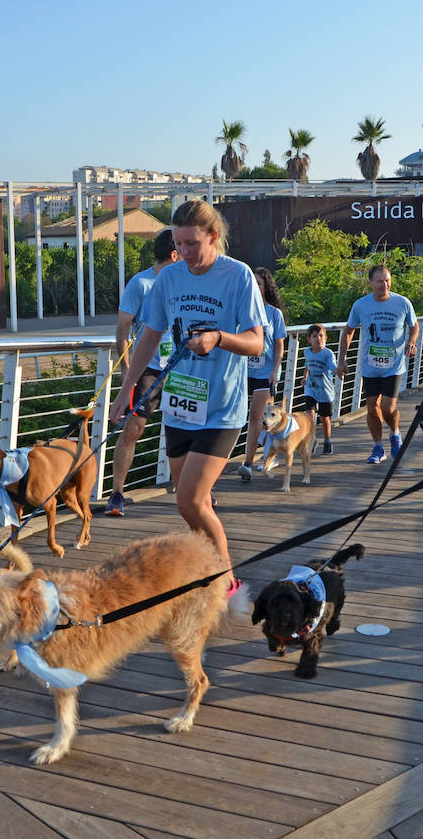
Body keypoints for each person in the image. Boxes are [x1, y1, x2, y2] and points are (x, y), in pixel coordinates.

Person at [111, 200, 265, 578]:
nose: (185, 253)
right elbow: (149, 337)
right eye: (179, 244)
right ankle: (207, 566)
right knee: (189, 504)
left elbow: (257, 342)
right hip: (181, 405)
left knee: (191, 500)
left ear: (213, 237)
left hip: (222, 408)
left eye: (193, 243)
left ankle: (226, 579)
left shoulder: (238, 276)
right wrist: (126, 389)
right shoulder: (169, 278)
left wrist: (218, 338)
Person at [105, 228, 178, 517]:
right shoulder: (141, 282)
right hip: (147, 366)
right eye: (183, 249)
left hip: (181, 366)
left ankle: (194, 490)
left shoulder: (184, 281)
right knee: (133, 429)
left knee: (186, 427)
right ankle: (116, 494)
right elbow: (123, 327)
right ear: (174, 254)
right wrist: (126, 370)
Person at [338, 265, 419, 463]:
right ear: (371, 283)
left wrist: (411, 341)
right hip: (370, 364)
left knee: (387, 407)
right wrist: (341, 360)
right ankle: (378, 448)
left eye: (387, 280)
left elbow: (414, 325)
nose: (385, 284)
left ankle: (395, 434)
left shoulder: (402, 303)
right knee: (372, 408)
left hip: (394, 364)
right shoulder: (360, 305)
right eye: (380, 281)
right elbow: (349, 331)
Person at [238, 267, 287, 480]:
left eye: (259, 283)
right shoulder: (240, 310)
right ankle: (270, 449)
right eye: (253, 283)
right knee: (235, 416)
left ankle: (248, 463)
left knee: (256, 416)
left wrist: (275, 371)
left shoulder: (274, 314)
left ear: (266, 287)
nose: (255, 287)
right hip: (242, 371)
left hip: (264, 372)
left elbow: (279, 345)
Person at [297, 323, 339, 454]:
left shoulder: (328, 354)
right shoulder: (307, 352)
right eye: (315, 336)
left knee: (324, 418)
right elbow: (307, 365)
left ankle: (327, 441)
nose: (318, 339)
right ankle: (312, 439)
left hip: (325, 390)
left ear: (326, 338)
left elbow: (333, 367)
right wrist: (304, 378)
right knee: (309, 414)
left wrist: (339, 371)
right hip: (311, 388)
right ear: (309, 339)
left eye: (321, 336)